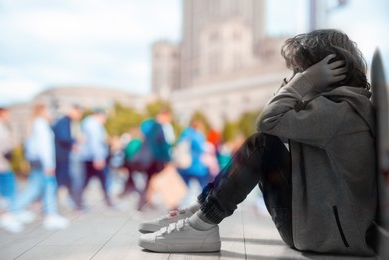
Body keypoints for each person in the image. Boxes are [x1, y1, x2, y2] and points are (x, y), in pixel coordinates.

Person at [138, 29, 377, 256]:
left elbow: (267, 121)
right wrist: (301, 83)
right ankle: (200, 213)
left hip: (328, 235)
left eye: (302, 70)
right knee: (265, 144)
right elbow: (273, 122)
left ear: (332, 69)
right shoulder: (338, 107)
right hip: (324, 229)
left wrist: (303, 83)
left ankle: (203, 224)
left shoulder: (339, 112)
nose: (297, 77)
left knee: (262, 144)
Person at [14, 103, 69, 230]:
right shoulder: (41, 124)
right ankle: (49, 215)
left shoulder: (37, 123)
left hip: (39, 162)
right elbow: (45, 147)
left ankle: (16, 210)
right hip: (44, 163)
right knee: (47, 188)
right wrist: (49, 165)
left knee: (36, 188)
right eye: (48, 110)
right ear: (42, 111)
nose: (50, 113)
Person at [131, 110, 175, 210]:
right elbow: (164, 144)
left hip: (147, 158)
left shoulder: (149, 126)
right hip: (156, 159)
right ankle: (171, 204)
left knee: (149, 180)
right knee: (157, 180)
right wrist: (168, 159)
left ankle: (145, 202)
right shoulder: (160, 127)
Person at [79, 108, 112, 208]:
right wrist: (98, 158)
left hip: (90, 157)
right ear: (99, 115)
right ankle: (108, 201)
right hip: (94, 157)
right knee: (103, 179)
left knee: (89, 179)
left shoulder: (89, 123)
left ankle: (77, 200)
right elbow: (95, 142)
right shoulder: (93, 125)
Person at [52, 104, 83, 210]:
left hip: (63, 157)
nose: (79, 116)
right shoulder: (64, 122)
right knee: (60, 181)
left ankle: (69, 201)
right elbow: (64, 138)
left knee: (66, 180)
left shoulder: (67, 122)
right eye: (79, 113)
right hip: (61, 157)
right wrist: (76, 141)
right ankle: (49, 205)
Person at [0, 107, 24, 233]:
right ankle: (7, 216)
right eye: (7, 113)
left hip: (3, 164)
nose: (9, 115)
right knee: (6, 192)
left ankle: (10, 214)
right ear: (1, 113)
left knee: (8, 190)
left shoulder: (3, 126)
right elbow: (2, 146)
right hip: (1, 165)